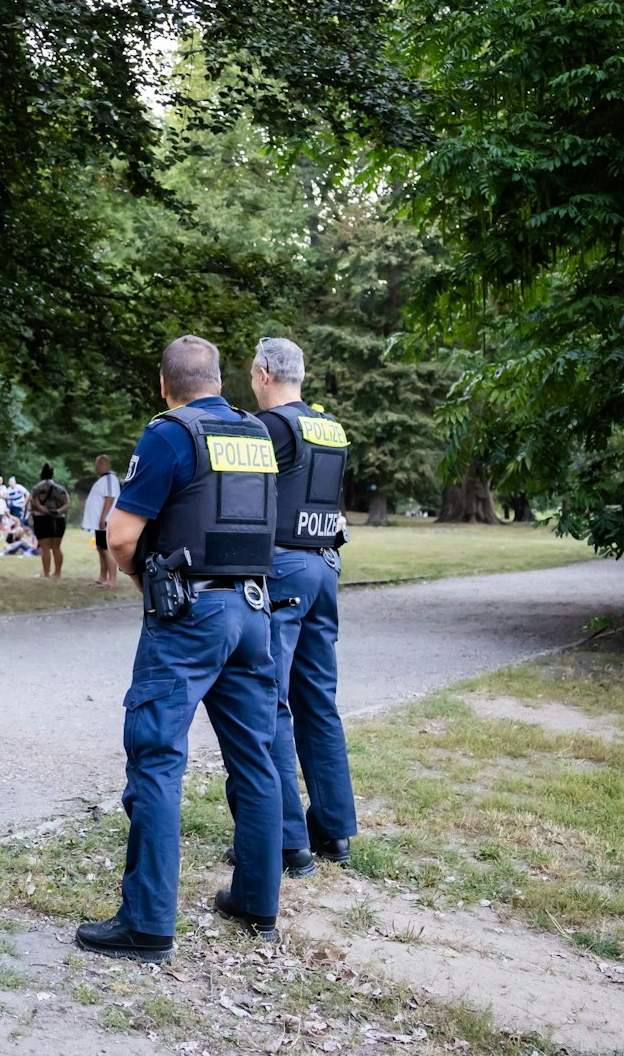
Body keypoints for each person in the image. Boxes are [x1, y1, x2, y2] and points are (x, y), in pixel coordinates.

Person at [76, 335, 283, 963]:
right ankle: (257, 902)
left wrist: (149, 584)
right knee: (255, 757)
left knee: (158, 758)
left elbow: (119, 536)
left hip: (191, 614)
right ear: (221, 380)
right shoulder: (257, 434)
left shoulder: (169, 433)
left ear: (165, 385)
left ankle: (147, 923)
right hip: (254, 609)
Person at [250, 337, 356, 872]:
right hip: (324, 566)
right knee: (318, 699)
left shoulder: (271, 429)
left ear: (263, 372)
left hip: (283, 569)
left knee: (269, 700)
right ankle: (334, 831)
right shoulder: (328, 426)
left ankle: (286, 839)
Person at [83, 454, 122, 588]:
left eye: (97, 465)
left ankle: (112, 579)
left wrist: (103, 517)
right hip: (99, 524)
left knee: (106, 549)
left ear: (104, 464)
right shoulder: (103, 479)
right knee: (100, 548)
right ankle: (102, 576)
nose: (96, 468)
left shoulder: (110, 479)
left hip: (105, 522)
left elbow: (110, 498)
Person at [30, 464, 71, 579]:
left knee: (45, 548)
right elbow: (67, 503)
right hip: (58, 520)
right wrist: (57, 511)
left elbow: (35, 503)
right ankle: (57, 573)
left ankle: (46, 574)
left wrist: (45, 511)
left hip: (42, 519)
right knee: (56, 547)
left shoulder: (37, 488)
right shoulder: (60, 488)